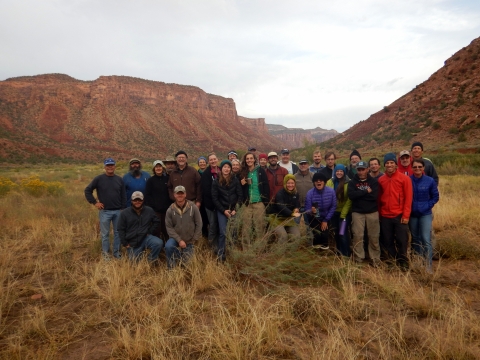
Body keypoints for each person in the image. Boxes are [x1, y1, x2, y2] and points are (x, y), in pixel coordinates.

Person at [84, 158, 126, 260]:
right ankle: (106, 254)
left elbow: (123, 195)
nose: (110, 167)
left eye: (112, 165)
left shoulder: (119, 179)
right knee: (105, 234)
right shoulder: (98, 179)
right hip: (105, 211)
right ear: (105, 167)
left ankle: (116, 252)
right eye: (108, 165)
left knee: (118, 233)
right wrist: (95, 202)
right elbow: (87, 190)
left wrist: (123, 208)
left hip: (118, 211)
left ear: (115, 167)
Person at [378, 153, 413, 270]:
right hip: (385, 215)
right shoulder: (381, 180)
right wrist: (379, 214)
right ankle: (392, 261)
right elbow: (378, 198)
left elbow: (408, 198)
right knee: (387, 240)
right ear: (384, 165)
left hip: (399, 215)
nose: (389, 165)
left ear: (396, 164)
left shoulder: (404, 179)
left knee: (402, 240)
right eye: (387, 163)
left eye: (391, 163)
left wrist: (406, 215)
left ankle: (403, 261)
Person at [347, 161, 381, 265]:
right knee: (357, 235)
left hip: (372, 212)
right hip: (357, 213)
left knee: (373, 236)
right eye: (359, 169)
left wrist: (359, 195)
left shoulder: (374, 182)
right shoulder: (352, 182)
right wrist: (366, 192)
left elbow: (374, 197)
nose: (361, 172)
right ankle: (358, 258)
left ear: (367, 169)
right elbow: (351, 196)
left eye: (363, 169)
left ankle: (375, 258)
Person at [409, 159, 439, 273]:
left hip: (425, 214)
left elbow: (435, 197)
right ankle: (417, 262)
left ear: (423, 168)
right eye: (415, 167)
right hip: (413, 214)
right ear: (412, 168)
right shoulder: (408, 180)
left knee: (425, 239)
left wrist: (427, 206)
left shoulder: (430, 180)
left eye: (420, 167)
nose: (417, 169)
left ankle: (428, 265)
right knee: (415, 239)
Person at [117, 191, 164, 263]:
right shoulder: (124, 213)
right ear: (131, 201)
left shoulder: (149, 210)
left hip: (145, 238)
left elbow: (156, 221)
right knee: (134, 264)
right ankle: (139, 257)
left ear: (143, 200)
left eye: (139, 200)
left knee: (158, 243)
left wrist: (150, 231)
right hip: (132, 242)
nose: (137, 202)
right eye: (135, 200)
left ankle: (149, 261)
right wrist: (125, 243)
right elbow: (120, 229)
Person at [211, 160, 243, 261]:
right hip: (222, 210)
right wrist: (223, 210)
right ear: (221, 168)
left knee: (233, 232)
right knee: (223, 232)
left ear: (230, 169)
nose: (226, 169)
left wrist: (235, 209)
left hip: (234, 210)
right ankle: (221, 254)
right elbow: (215, 198)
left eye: (228, 167)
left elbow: (240, 195)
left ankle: (232, 252)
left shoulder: (235, 180)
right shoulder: (216, 181)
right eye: (224, 167)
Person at [165, 186, 202, 269]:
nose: (180, 195)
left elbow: (199, 224)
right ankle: (171, 269)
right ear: (174, 195)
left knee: (187, 265)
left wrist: (194, 239)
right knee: (168, 246)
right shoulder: (170, 210)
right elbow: (169, 228)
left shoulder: (193, 207)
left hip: (190, 240)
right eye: (178, 194)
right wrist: (179, 240)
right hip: (175, 238)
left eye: (182, 193)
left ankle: (181, 256)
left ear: (185, 194)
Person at [240, 152, 270, 243]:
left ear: (254, 160)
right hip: (247, 204)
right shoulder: (243, 172)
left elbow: (266, 186)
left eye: (251, 158)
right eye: (247, 159)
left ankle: (259, 249)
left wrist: (265, 201)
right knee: (246, 228)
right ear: (245, 161)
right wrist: (242, 184)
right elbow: (240, 189)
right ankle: (246, 250)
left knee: (259, 227)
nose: (249, 160)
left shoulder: (260, 171)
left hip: (259, 203)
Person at [305, 173, 337, 250]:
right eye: (316, 180)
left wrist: (325, 220)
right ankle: (316, 254)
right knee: (317, 235)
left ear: (325, 182)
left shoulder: (331, 191)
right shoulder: (310, 193)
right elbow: (307, 209)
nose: (318, 182)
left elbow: (333, 206)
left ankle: (324, 252)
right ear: (314, 182)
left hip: (326, 217)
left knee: (324, 235)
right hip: (314, 218)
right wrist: (311, 211)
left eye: (320, 180)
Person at [326, 164, 352, 257]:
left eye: (341, 171)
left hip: (344, 214)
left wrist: (343, 214)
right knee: (336, 232)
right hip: (334, 213)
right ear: (335, 172)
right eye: (337, 171)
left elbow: (349, 200)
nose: (339, 173)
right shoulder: (330, 182)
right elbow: (327, 196)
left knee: (342, 233)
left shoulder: (348, 183)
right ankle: (339, 252)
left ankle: (346, 254)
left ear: (344, 172)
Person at [144, 160, 172, 241]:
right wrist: (154, 206)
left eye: (160, 166)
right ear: (154, 169)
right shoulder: (150, 180)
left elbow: (170, 192)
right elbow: (147, 195)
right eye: (156, 167)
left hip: (167, 210)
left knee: (167, 229)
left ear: (163, 168)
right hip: (156, 211)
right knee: (157, 230)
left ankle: (167, 248)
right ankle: (158, 248)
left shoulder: (167, 179)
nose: (158, 168)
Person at [270, 175, 301, 243]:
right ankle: (279, 252)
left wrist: (296, 208)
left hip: (288, 219)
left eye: (292, 183)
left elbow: (297, 204)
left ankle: (291, 252)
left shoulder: (296, 193)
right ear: (285, 184)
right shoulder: (280, 194)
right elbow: (281, 207)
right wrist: (291, 213)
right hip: (277, 219)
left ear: (295, 184)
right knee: (283, 236)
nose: (290, 185)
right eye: (288, 183)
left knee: (297, 236)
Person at [201, 153, 220, 251]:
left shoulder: (222, 170)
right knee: (212, 225)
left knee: (221, 225)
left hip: (222, 204)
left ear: (217, 159)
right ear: (209, 162)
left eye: (214, 159)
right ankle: (213, 246)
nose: (213, 161)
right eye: (211, 160)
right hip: (211, 205)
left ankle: (221, 245)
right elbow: (207, 190)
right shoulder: (206, 174)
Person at [294, 159, 314, 228]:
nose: (303, 165)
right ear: (299, 165)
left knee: (309, 226)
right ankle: (294, 238)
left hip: (308, 206)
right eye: (301, 164)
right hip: (297, 206)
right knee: (294, 225)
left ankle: (310, 238)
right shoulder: (294, 176)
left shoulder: (313, 176)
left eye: (305, 164)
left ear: (308, 165)